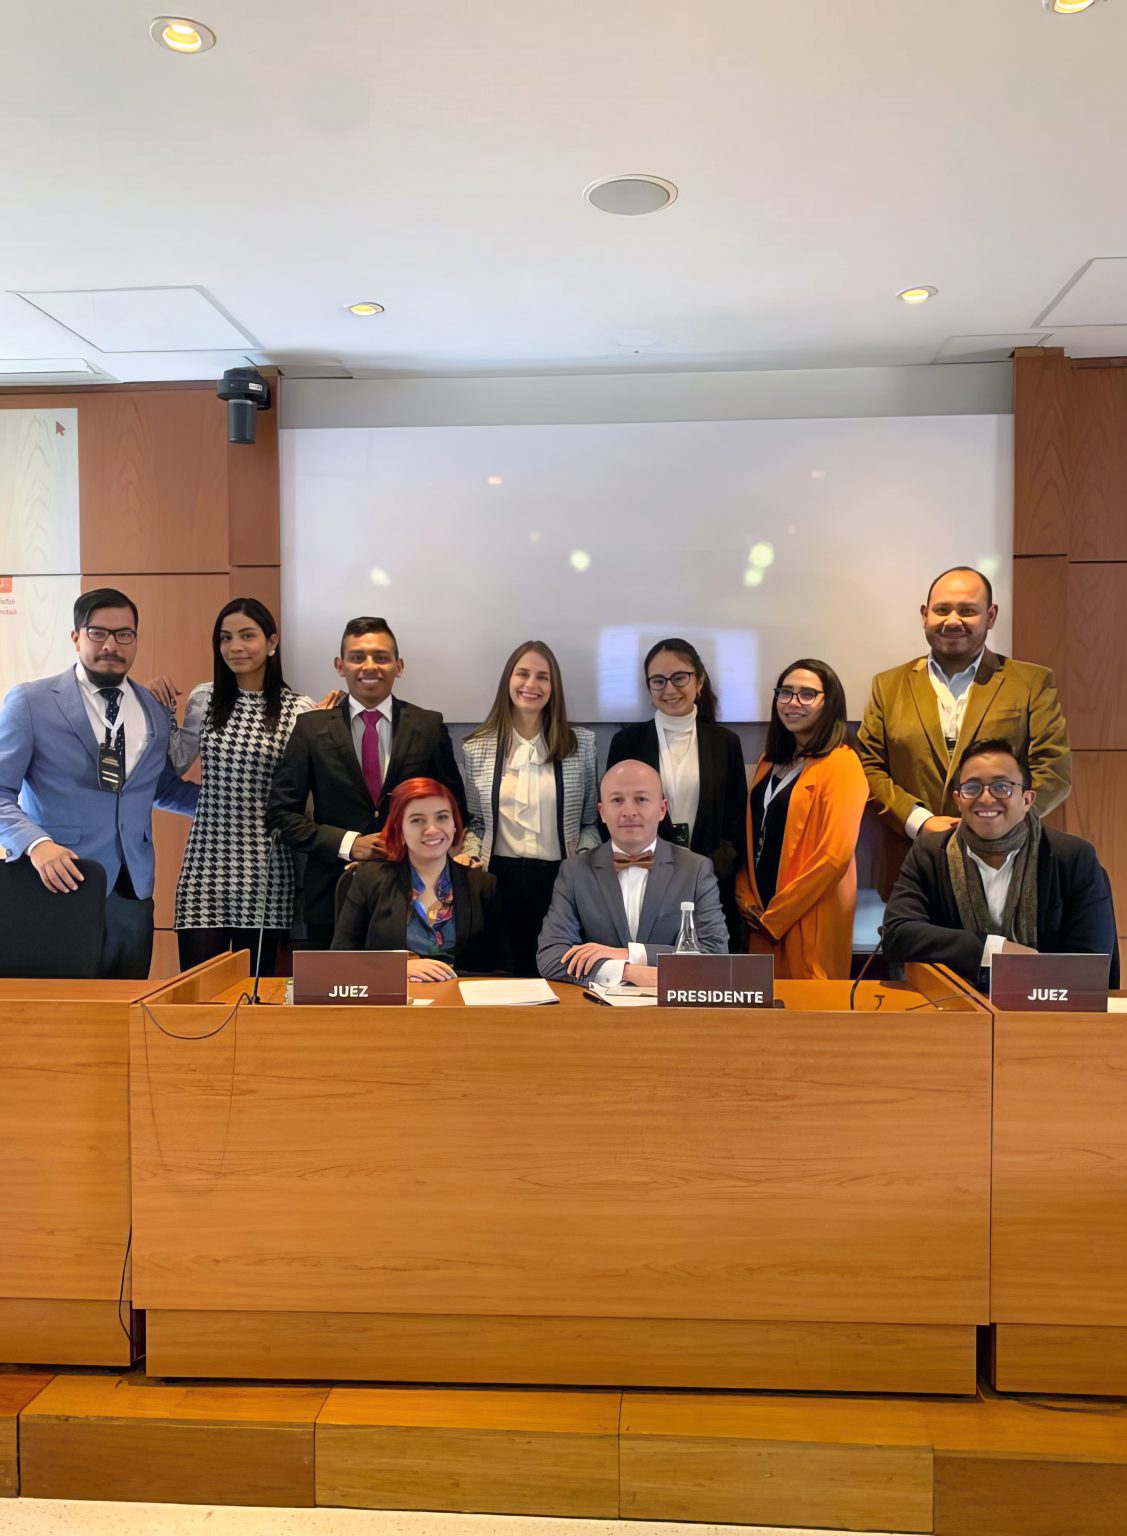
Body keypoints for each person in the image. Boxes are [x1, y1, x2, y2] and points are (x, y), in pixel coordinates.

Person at [0, 587, 198, 978]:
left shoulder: (154, 710)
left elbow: (157, 788)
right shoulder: (30, 702)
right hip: (57, 881)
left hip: (132, 891)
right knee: (58, 1007)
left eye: (124, 634)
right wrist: (36, 845)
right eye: (98, 633)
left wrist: (235, 804)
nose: (111, 644)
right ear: (76, 637)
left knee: (125, 1006)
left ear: (135, 640)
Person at [857, 566, 1072, 894]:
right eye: (942, 609)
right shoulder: (888, 686)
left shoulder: (1031, 683)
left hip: (1007, 864)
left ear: (991, 616)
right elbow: (869, 768)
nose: (953, 620)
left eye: (968, 610)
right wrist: (920, 822)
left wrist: (991, 822)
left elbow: (1053, 772)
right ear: (924, 615)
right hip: (914, 866)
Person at [266, 616, 467, 948]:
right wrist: (349, 844)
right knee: (334, 983)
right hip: (332, 898)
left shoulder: (428, 726)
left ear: (398, 666)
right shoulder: (311, 729)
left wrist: (409, 845)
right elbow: (280, 816)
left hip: (416, 899)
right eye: (357, 657)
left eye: (381, 657)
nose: (369, 666)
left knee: (415, 982)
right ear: (340, 665)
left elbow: (456, 809)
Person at [147, 598, 318, 976]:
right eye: (226, 638)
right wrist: (159, 711)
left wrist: (326, 730)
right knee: (197, 988)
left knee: (255, 990)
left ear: (272, 643)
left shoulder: (299, 709)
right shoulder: (205, 698)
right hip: (205, 861)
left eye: (247, 636)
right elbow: (176, 762)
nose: (235, 647)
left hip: (267, 863)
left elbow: (306, 794)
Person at [882, 738, 1118, 988]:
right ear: (958, 799)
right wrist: (991, 949)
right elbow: (897, 934)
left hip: (1051, 1005)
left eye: (1001, 787)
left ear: (1027, 799)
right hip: (958, 1003)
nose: (985, 798)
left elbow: (1091, 964)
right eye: (972, 787)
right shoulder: (929, 853)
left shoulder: (1072, 858)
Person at [461, 640, 599, 974]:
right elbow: (477, 822)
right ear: (508, 680)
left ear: (554, 687)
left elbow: (590, 823)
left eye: (542, 677)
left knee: (556, 971)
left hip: (559, 879)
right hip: (497, 878)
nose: (531, 684)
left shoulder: (581, 744)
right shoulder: (476, 746)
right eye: (522, 674)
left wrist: (583, 861)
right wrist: (470, 857)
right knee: (502, 975)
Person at [537, 759, 729, 989]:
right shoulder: (574, 870)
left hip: (672, 1008)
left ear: (662, 810)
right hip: (597, 1007)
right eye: (617, 800)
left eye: (641, 799)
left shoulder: (695, 869)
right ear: (602, 812)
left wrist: (630, 954)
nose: (629, 812)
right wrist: (626, 971)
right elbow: (551, 955)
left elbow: (715, 955)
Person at [735, 658, 868, 979]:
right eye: (786, 692)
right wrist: (745, 898)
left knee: (809, 1003)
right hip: (760, 917)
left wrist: (777, 916)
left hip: (808, 916)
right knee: (762, 1001)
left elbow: (834, 857)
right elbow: (751, 835)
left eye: (807, 694)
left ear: (829, 703)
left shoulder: (842, 763)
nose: (793, 702)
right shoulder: (769, 761)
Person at [606, 637, 746, 942]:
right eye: (658, 681)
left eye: (680, 677)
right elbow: (613, 816)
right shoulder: (627, 743)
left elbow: (736, 819)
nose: (669, 689)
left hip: (711, 881)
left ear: (699, 681)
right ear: (649, 688)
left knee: (708, 965)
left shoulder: (725, 743)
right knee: (647, 964)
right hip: (644, 882)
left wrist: (717, 864)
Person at [331, 776, 506, 979]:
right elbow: (339, 959)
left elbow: (502, 967)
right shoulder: (369, 878)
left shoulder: (482, 884)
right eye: (417, 820)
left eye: (442, 817)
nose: (432, 829)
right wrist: (397, 969)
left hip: (460, 994)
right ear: (399, 829)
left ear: (454, 824)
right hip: (393, 993)